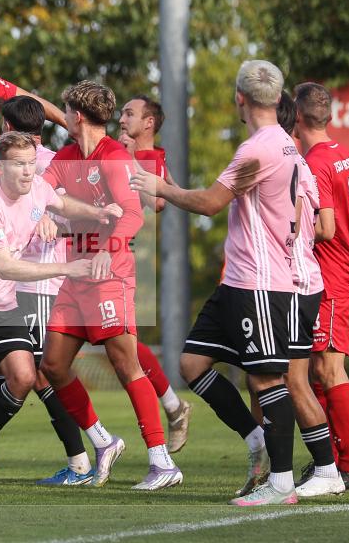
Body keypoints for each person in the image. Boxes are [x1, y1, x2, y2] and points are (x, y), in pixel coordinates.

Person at [132, 60, 301, 505]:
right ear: (277, 98)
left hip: (259, 283)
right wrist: (169, 184)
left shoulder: (259, 149)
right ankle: (255, 439)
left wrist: (160, 189)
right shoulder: (283, 143)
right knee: (192, 363)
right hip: (238, 282)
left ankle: (282, 484)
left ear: (239, 99)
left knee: (266, 381)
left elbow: (210, 203)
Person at [0, 131, 116, 487]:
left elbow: (62, 205)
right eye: (19, 164)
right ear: (0, 166)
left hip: (3, 301)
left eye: (31, 164)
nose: (27, 171)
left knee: (23, 377)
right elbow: (5, 267)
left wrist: (98, 212)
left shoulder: (38, 188)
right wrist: (67, 268)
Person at [40, 81, 182, 491]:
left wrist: (107, 249)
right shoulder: (66, 156)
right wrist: (42, 210)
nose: (64, 119)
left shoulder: (115, 156)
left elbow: (134, 214)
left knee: (125, 364)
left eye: (66, 112)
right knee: (52, 365)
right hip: (76, 275)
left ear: (76, 116)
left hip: (110, 275)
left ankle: (162, 462)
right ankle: (104, 442)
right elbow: (40, 190)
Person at [0, 96, 94, 485]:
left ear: (6, 127)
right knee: (1, 366)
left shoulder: (41, 164)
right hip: (12, 284)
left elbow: (77, 215)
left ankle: (81, 459)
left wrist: (55, 221)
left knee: (41, 374)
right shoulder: (51, 159)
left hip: (37, 284)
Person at [246, 91, 345, 497]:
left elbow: (310, 227)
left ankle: (316, 470)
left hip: (292, 283)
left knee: (285, 379)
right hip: (295, 281)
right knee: (272, 377)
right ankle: (306, 470)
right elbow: (318, 226)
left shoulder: (284, 162)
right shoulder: (301, 162)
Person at [293, 82, 349, 490]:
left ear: (297, 117)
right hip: (344, 267)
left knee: (328, 367)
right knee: (317, 368)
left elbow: (326, 228)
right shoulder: (342, 153)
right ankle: (331, 462)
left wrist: (288, 230)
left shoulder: (315, 162)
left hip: (335, 273)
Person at [118, 94, 193, 453]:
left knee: (123, 346)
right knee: (122, 346)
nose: (122, 119)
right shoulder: (131, 152)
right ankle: (173, 408)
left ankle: (171, 413)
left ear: (149, 123)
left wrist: (127, 157)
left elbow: (158, 201)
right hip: (99, 254)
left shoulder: (147, 156)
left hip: (124, 259)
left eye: (129, 114)